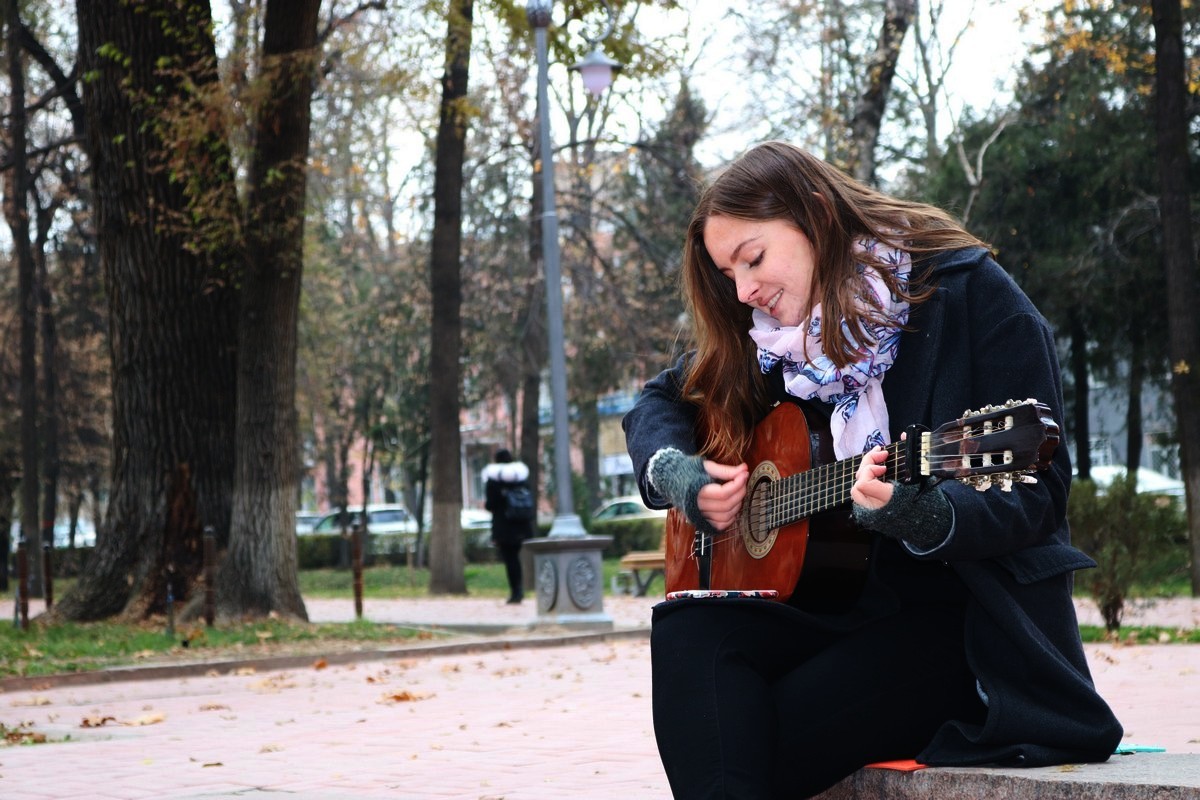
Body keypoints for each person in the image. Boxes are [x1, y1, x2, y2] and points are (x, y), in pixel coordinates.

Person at [621, 141, 1123, 799]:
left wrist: (928, 512)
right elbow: (656, 402)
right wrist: (678, 475)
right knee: (689, 628)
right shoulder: (770, 342)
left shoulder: (967, 294)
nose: (745, 291)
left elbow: (1039, 491)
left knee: (737, 747)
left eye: (753, 259)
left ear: (818, 215)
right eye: (728, 274)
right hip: (834, 612)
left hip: (960, 623)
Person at [483, 448, 534, 604]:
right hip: (521, 525)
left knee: (510, 559)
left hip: (504, 527)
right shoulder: (521, 479)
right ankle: (519, 589)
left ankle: (516, 591)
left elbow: (490, 505)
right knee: (516, 558)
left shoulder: (494, 481)